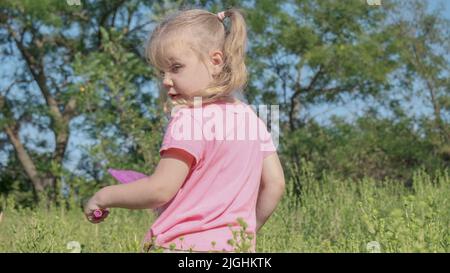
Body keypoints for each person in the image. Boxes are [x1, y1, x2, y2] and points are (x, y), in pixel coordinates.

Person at [84, 8, 285, 253]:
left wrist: (103, 196)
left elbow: (160, 189)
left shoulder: (189, 118)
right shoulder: (251, 117)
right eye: (161, 72)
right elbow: (275, 183)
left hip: (180, 247)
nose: (165, 80)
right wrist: (245, 232)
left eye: (176, 67)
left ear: (215, 61)